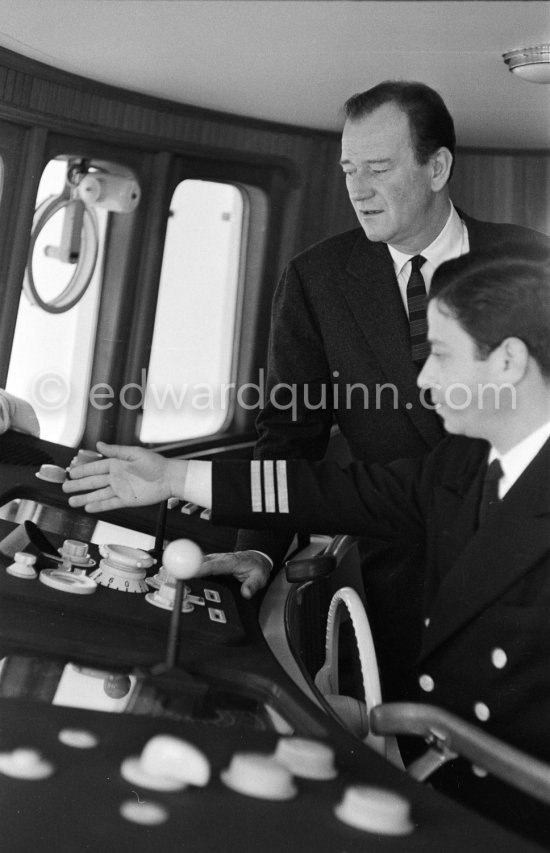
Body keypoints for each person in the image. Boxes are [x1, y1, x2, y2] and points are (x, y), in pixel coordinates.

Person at [64, 242, 550, 844]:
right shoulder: (467, 460)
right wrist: (172, 477)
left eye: (441, 357)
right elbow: (327, 489)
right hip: (446, 778)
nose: (423, 381)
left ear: (507, 362)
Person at [203, 79, 549, 606]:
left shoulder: (532, 260)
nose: (358, 189)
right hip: (395, 574)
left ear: (437, 168)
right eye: (349, 170)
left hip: (528, 562)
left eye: (379, 169)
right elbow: (290, 431)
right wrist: (260, 549)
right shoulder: (315, 279)